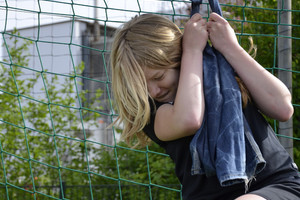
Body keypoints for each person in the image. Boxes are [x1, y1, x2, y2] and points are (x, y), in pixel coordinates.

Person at [110, 12, 300, 200]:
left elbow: (282, 107)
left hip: (275, 185)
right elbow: (189, 119)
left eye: (158, 77)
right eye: (141, 86)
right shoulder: (151, 112)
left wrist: (231, 48)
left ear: (179, 59)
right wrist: (193, 51)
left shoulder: (222, 72)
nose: (153, 91)